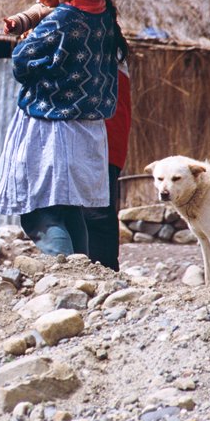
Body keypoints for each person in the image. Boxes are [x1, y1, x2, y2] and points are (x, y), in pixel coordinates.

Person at [0, 0, 128, 256]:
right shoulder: (104, 15)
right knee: (69, 210)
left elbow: (22, 62)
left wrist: (28, 40)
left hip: (50, 127)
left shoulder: (65, 18)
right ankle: (81, 276)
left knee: (40, 212)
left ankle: (62, 273)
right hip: (86, 129)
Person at [84, 60, 131, 271]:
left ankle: (102, 272)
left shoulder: (98, 49)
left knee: (96, 212)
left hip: (99, 141)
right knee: (98, 210)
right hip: (103, 142)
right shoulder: (108, 51)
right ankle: (104, 271)